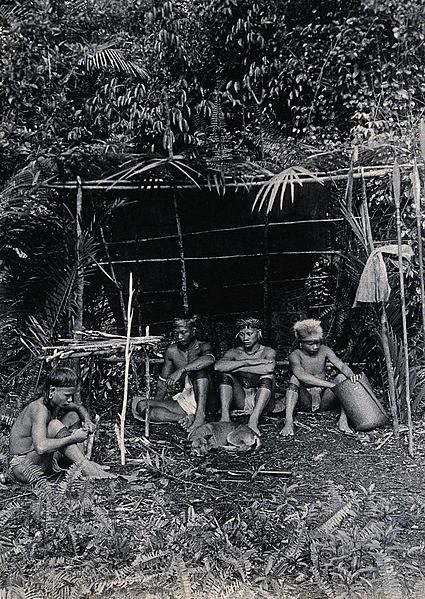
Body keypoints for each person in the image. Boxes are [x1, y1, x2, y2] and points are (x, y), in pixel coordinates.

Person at [8, 367, 114, 482]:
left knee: (72, 415)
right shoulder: (39, 409)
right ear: (52, 391)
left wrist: (87, 420)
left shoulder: (54, 402)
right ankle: (87, 468)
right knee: (54, 425)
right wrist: (73, 438)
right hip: (24, 469)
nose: (70, 400)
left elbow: (78, 407)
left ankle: (82, 465)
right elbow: (41, 447)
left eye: (72, 395)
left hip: (40, 462)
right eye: (67, 395)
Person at [132, 316, 216, 433]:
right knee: (142, 405)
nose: (179, 337)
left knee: (199, 369)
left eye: (183, 332)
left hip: (208, 402)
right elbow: (163, 381)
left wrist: (181, 370)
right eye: (176, 333)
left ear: (193, 330)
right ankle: (184, 419)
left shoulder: (203, 346)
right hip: (186, 402)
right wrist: (158, 403)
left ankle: (200, 417)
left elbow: (209, 359)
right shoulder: (172, 351)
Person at [280, 319, 358, 437]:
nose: (315, 346)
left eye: (318, 342)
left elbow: (341, 365)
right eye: (311, 343)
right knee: (294, 378)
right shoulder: (295, 355)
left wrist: (350, 374)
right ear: (301, 343)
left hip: (324, 399)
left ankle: (343, 420)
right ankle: (288, 421)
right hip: (305, 398)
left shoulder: (325, 350)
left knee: (342, 377)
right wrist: (330, 385)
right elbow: (301, 376)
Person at [215, 317, 276, 435]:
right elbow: (218, 366)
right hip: (241, 398)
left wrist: (236, 367)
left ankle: (254, 420)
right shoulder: (235, 352)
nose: (245, 338)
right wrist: (247, 362)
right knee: (225, 374)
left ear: (258, 333)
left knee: (267, 376)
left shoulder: (267, 351)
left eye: (249, 334)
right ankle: (225, 418)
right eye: (242, 334)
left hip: (264, 399)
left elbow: (269, 368)